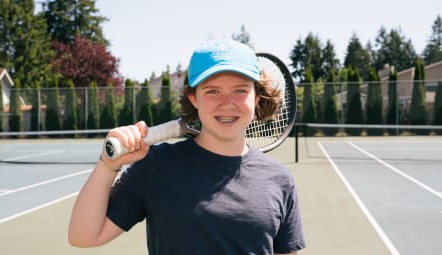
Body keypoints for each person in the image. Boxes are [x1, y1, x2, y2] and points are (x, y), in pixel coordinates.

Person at [68, 39, 306, 254]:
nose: (227, 103)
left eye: (240, 91)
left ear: (255, 98)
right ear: (194, 98)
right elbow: (83, 236)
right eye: (212, 91)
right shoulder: (156, 166)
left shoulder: (279, 179)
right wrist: (107, 166)